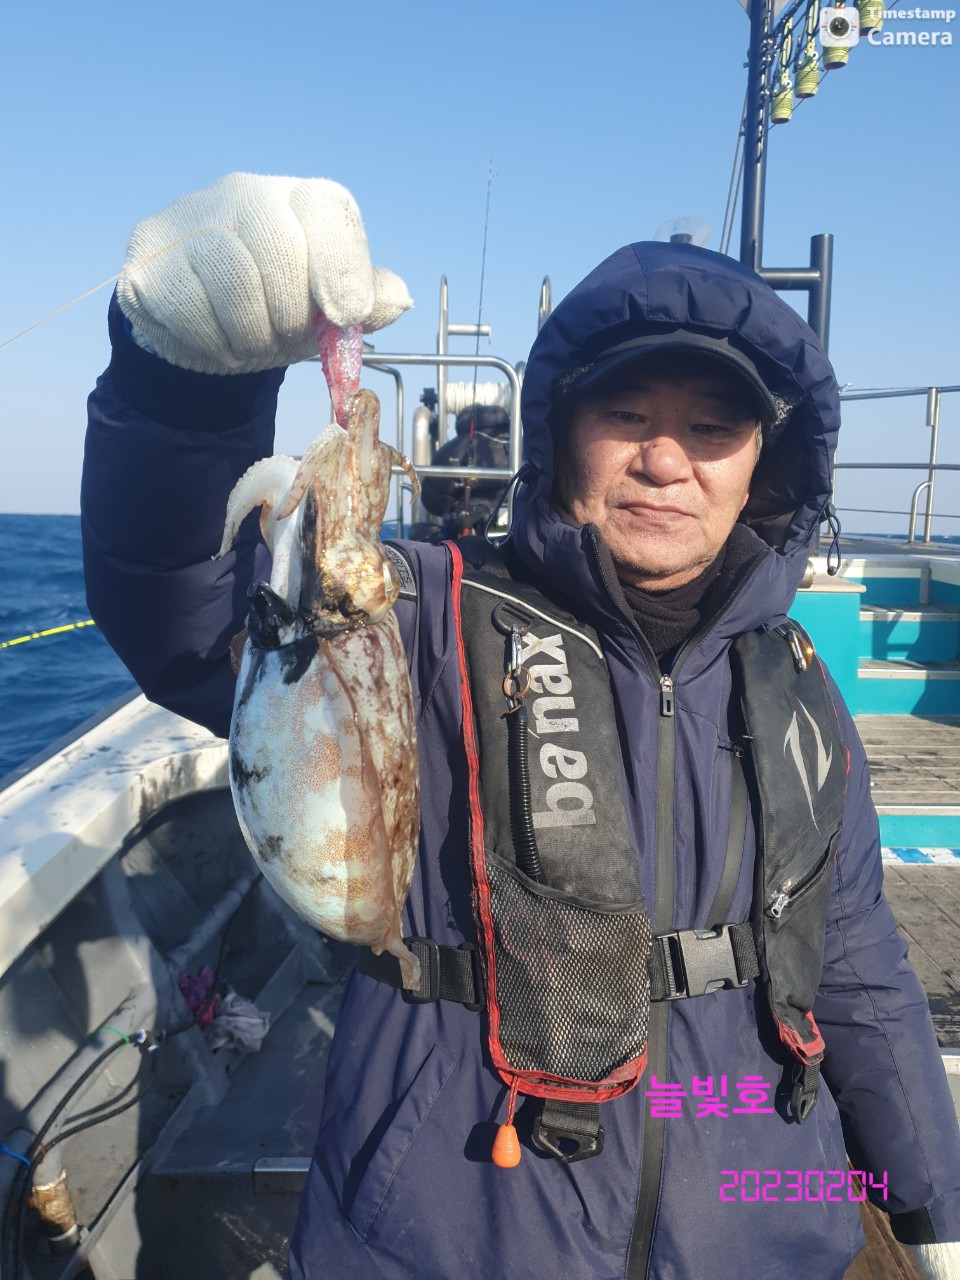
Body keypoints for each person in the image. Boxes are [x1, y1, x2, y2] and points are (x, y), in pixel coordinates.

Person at [81, 173, 960, 1280]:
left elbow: (857, 961)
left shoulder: (799, 688)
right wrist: (182, 390)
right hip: (447, 1235)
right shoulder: (419, 617)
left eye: (712, 427)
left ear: (764, 463)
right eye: (625, 416)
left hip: (764, 1224)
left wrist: (932, 1200)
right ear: (562, 431)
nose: (666, 461)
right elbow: (188, 609)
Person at [418, 401, 511, 539]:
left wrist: (456, 507)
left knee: (422, 532)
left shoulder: (454, 448)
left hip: (472, 530)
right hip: (517, 524)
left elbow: (432, 498)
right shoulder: (521, 445)